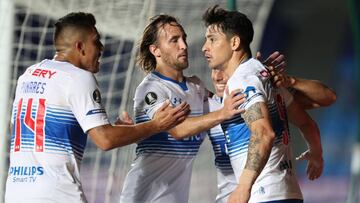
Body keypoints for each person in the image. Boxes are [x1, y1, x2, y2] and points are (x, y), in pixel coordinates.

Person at [4, 12, 191, 203]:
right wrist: (156, 125)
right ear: (80, 47)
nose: (101, 48)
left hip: (15, 193)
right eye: (96, 41)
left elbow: (29, 129)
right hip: (57, 196)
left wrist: (119, 130)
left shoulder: (28, 75)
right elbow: (105, 140)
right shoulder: (78, 77)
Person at [202, 6, 324, 203]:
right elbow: (307, 124)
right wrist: (317, 154)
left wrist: (243, 188)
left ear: (234, 42)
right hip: (289, 193)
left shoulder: (242, 79)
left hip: (263, 195)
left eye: (212, 39)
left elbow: (264, 133)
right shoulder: (265, 76)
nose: (205, 47)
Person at [119, 14, 245, 203]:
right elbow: (178, 129)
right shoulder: (151, 89)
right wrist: (222, 113)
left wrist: (254, 71)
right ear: (156, 50)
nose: (184, 45)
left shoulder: (197, 87)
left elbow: (227, 103)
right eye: (174, 40)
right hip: (143, 196)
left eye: (184, 38)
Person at [207, 52, 336, 203]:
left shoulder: (258, 92)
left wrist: (285, 81)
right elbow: (178, 130)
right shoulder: (206, 105)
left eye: (224, 69)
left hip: (263, 194)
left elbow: (328, 97)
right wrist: (221, 114)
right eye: (215, 69)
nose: (218, 77)